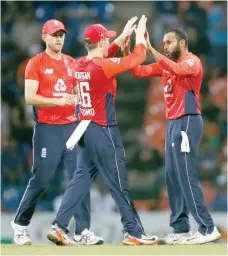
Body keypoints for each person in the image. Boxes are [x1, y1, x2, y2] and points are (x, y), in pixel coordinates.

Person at [47, 15, 159, 246]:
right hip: (103, 128)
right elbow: (137, 57)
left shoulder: (81, 64)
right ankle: (133, 232)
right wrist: (139, 35)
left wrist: (121, 36)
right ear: (99, 43)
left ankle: (58, 226)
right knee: (118, 180)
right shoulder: (103, 67)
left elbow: (104, 54)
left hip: (85, 128)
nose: (109, 42)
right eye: (106, 39)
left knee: (81, 179)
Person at [122, 28, 221, 245]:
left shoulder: (192, 61)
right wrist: (128, 50)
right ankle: (180, 228)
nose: (165, 46)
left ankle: (207, 228)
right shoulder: (165, 65)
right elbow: (138, 71)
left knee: (186, 174)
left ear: (182, 43)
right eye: (163, 42)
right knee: (172, 176)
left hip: (187, 120)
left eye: (169, 42)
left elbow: (176, 69)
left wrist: (150, 49)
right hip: (172, 122)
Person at [11, 19, 103, 246]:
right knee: (42, 178)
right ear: (44, 37)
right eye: (54, 35)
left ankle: (82, 231)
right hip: (47, 128)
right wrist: (58, 100)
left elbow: (76, 92)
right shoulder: (36, 63)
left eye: (61, 34)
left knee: (78, 178)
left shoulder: (72, 63)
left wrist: (80, 99)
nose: (59, 38)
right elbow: (29, 97)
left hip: (71, 126)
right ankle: (21, 225)